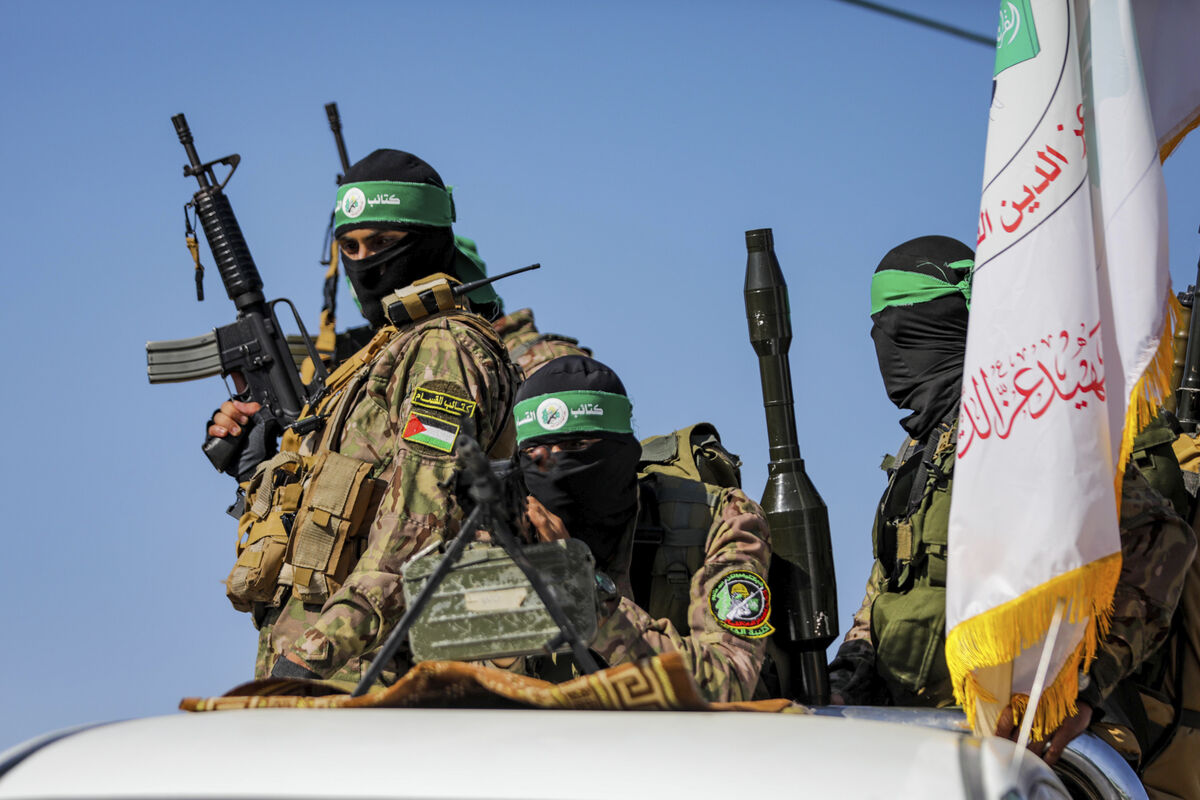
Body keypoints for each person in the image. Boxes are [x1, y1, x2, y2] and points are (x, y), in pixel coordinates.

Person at [826, 235, 1196, 767]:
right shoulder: (920, 451)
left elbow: (1162, 542)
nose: (890, 355)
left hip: (1023, 748)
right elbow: (888, 589)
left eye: (905, 332)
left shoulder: (1029, 425)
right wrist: (846, 680)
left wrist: (1079, 689)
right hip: (915, 736)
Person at [216, 149, 519, 686]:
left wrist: (312, 656)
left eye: (382, 242)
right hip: (325, 671)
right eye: (350, 246)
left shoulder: (443, 348)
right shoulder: (382, 353)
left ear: (428, 240)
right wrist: (256, 468)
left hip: (378, 677)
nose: (364, 260)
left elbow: (420, 525)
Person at [512, 355, 772, 702]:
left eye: (576, 446)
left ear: (622, 450)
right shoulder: (504, 533)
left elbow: (728, 683)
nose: (554, 466)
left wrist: (587, 596)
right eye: (534, 452)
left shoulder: (720, 520)